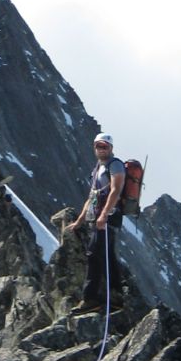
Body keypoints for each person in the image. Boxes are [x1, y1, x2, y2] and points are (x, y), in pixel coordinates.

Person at [69, 132, 126, 311]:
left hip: (108, 217)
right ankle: (117, 296)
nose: (101, 150)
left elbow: (116, 190)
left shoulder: (115, 165)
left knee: (94, 254)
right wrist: (80, 220)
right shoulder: (98, 168)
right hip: (100, 217)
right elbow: (92, 196)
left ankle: (90, 298)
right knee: (107, 254)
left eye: (105, 146)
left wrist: (104, 215)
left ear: (111, 148)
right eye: (98, 146)